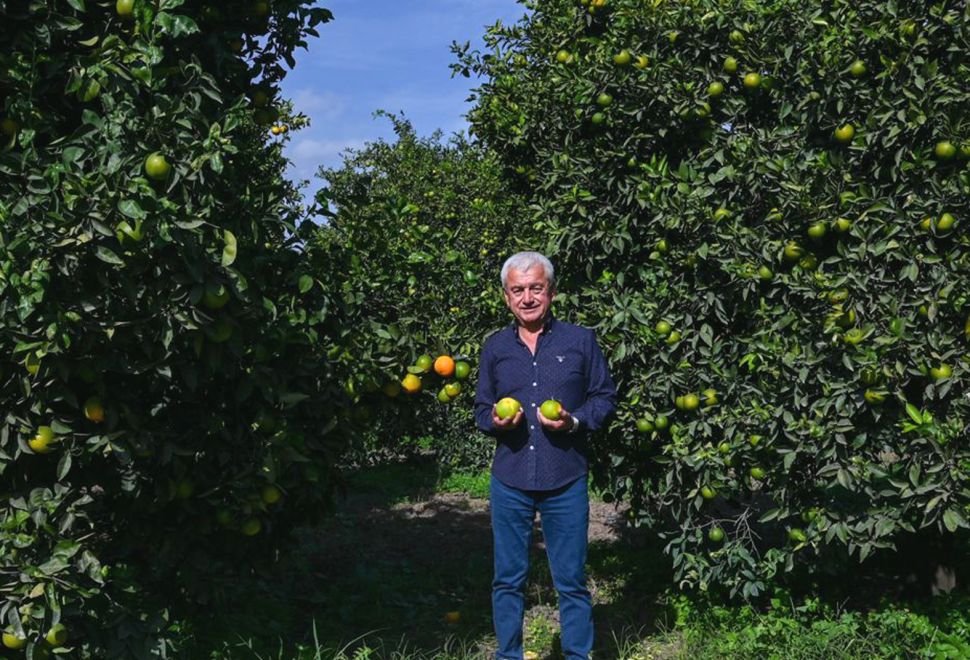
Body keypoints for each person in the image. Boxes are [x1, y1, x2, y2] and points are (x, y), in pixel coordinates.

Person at [475, 251, 617, 660]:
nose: (527, 298)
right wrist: (497, 424)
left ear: (551, 292)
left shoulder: (580, 341)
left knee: (570, 579)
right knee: (508, 579)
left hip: (565, 478)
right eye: (518, 290)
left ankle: (577, 655)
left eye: (536, 288)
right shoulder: (495, 347)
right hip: (511, 479)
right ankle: (508, 655)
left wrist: (573, 423)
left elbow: (604, 398)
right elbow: (482, 409)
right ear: (506, 297)